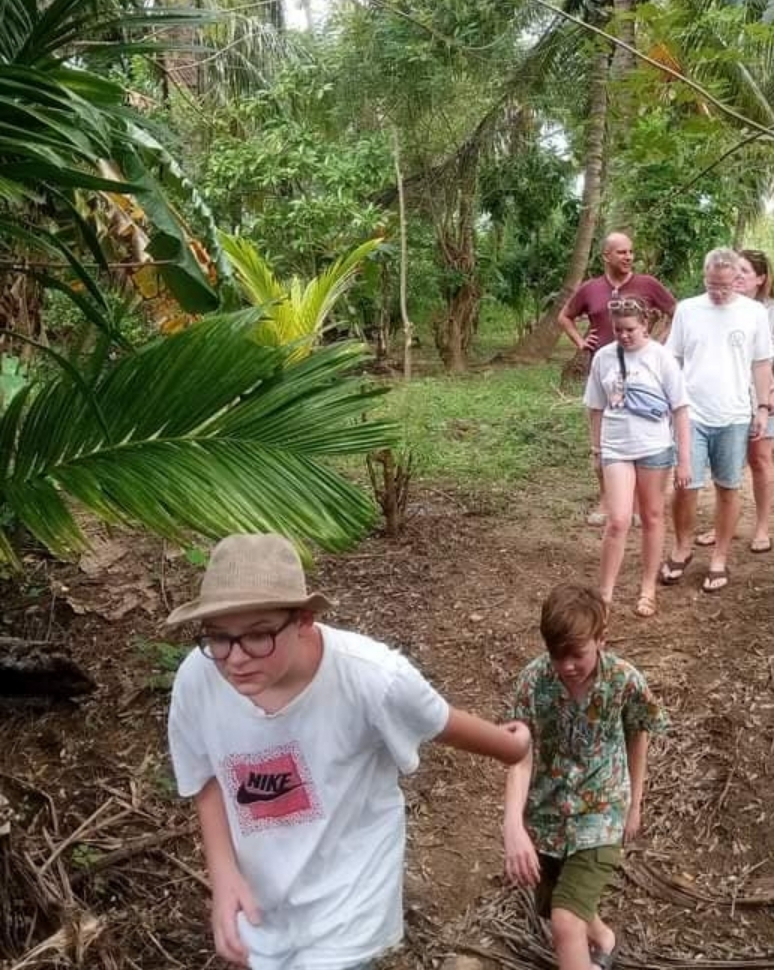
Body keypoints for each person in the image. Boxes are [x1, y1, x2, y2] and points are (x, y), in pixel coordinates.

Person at [166, 533, 531, 970]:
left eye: (258, 636)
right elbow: (205, 775)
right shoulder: (198, 678)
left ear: (302, 619)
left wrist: (514, 746)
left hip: (348, 898)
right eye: (219, 638)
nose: (236, 658)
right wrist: (223, 874)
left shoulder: (372, 678)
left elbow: (440, 721)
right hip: (264, 900)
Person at [503, 584, 669, 970]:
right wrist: (512, 824)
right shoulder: (531, 682)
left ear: (601, 641)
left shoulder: (624, 681)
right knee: (556, 904)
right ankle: (605, 940)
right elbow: (519, 754)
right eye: (556, 655)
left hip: (602, 809)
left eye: (576, 655)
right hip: (548, 812)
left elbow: (638, 735)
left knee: (565, 920)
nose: (565, 666)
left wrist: (634, 806)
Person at [661, 248, 774, 593]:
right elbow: (671, 358)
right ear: (705, 277)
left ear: (737, 281)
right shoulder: (688, 310)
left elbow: (761, 363)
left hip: (734, 414)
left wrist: (763, 407)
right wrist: (667, 402)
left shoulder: (754, 313)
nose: (718, 292)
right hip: (691, 412)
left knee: (728, 486)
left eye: (725, 286)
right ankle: (683, 546)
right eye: (712, 285)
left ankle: (719, 557)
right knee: (686, 485)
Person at [557, 232, 677, 527]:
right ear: (606, 257)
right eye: (621, 252)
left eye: (631, 252)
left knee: (642, 434)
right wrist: (580, 342)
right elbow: (565, 316)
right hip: (606, 372)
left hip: (645, 378)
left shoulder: (647, 284)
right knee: (603, 437)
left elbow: (676, 312)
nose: (628, 257)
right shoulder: (591, 288)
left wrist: (660, 342)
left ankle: (636, 501)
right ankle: (606, 498)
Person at [583, 296, 691, 617]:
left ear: (645, 325)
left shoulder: (661, 358)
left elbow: (680, 409)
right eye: (618, 330)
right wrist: (596, 449)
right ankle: (604, 594)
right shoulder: (603, 358)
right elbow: (595, 407)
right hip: (616, 447)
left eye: (630, 329)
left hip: (654, 447)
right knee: (617, 520)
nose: (624, 335)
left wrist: (684, 459)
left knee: (652, 517)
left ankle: (647, 588)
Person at [696, 249, 774, 553]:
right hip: (730, 398)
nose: (737, 276)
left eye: (744, 271)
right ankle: (722, 524)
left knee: (759, 458)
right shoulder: (720, 306)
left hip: (763, 397)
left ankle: (762, 526)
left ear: (761, 278)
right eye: (734, 269)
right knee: (728, 464)